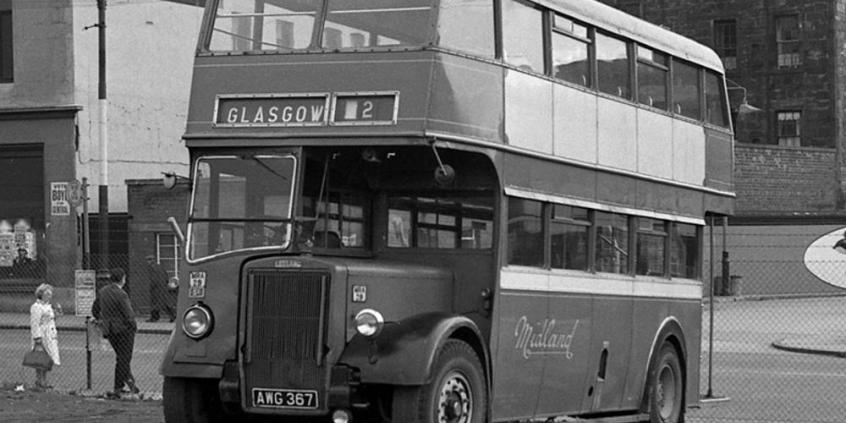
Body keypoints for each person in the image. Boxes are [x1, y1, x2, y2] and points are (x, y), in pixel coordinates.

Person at [92, 268, 139, 398]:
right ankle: (118, 387)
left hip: (110, 329)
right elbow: (128, 313)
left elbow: (95, 309)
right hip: (124, 329)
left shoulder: (103, 292)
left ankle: (131, 384)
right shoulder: (121, 294)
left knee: (121, 357)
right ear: (122, 279)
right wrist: (133, 325)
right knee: (124, 358)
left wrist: (101, 319)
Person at [30, 283, 60, 390]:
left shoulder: (48, 306)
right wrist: (37, 337)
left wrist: (57, 313)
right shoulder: (36, 307)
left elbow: (51, 319)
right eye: (47, 294)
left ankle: (44, 380)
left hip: (50, 334)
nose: (49, 296)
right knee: (40, 358)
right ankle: (39, 381)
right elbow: (35, 323)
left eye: (50, 294)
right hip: (42, 334)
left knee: (48, 357)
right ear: (41, 294)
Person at [145, 255, 175, 322]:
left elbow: (153, 279)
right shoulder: (160, 267)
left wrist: (151, 286)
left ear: (151, 260)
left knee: (155, 303)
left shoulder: (152, 268)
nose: (147, 262)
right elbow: (166, 276)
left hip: (156, 288)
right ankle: (172, 315)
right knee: (164, 302)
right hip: (163, 287)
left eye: (148, 260)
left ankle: (155, 317)